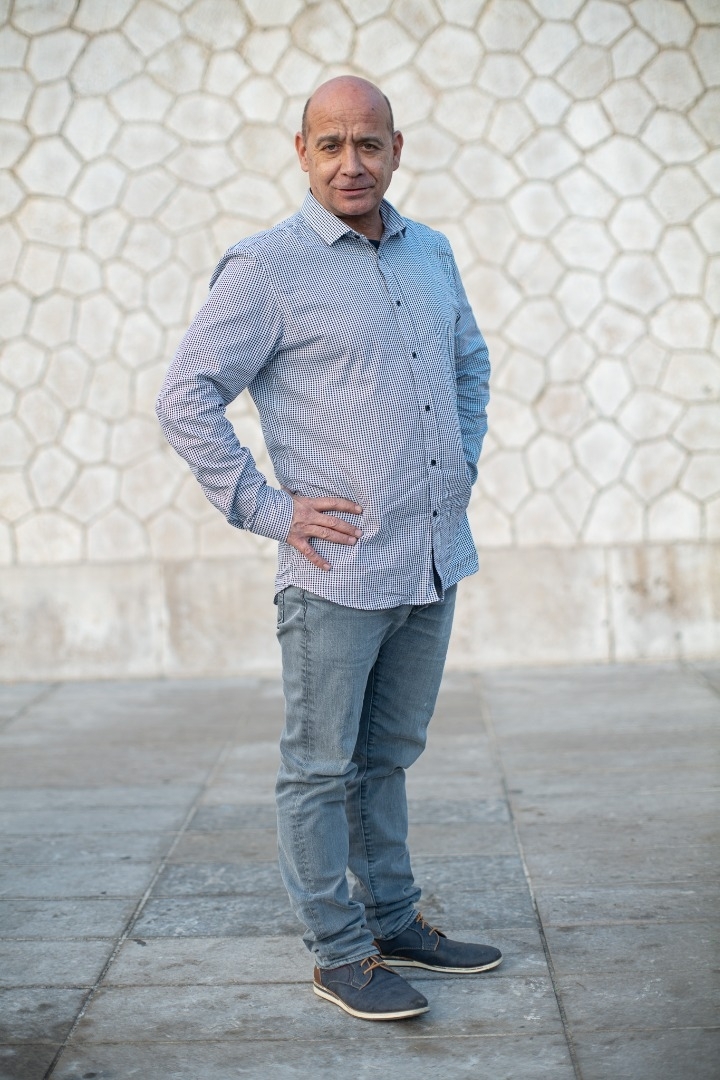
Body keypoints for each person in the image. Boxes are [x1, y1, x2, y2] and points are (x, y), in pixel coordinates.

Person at [156, 75, 499, 1022]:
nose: (352, 163)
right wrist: (266, 508)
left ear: (396, 150)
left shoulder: (431, 252)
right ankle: (340, 952)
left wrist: (461, 463)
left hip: (432, 556)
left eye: (369, 143)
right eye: (332, 144)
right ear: (301, 152)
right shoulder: (265, 268)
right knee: (318, 769)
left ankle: (394, 921)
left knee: (388, 755)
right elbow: (185, 397)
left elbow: (469, 364)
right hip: (335, 572)